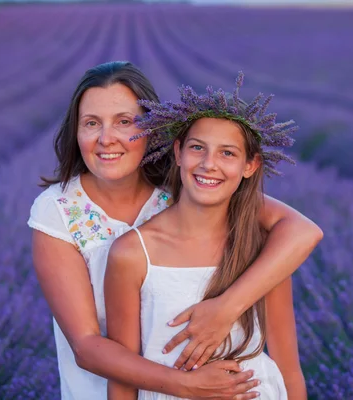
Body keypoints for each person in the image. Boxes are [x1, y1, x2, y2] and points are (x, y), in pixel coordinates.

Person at [28, 61, 322, 399]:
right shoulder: (59, 211)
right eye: (91, 123)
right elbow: (87, 345)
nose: (106, 139)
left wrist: (226, 309)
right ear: (75, 132)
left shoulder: (190, 186)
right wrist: (188, 386)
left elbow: (301, 230)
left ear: (152, 129)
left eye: (125, 122)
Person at [104, 74, 308, 400]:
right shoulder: (132, 253)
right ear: (178, 152)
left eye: (227, 153)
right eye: (198, 148)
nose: (209, 164)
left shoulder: (261, 250)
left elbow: (288, 366)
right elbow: (122, 374)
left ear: (250, 165)